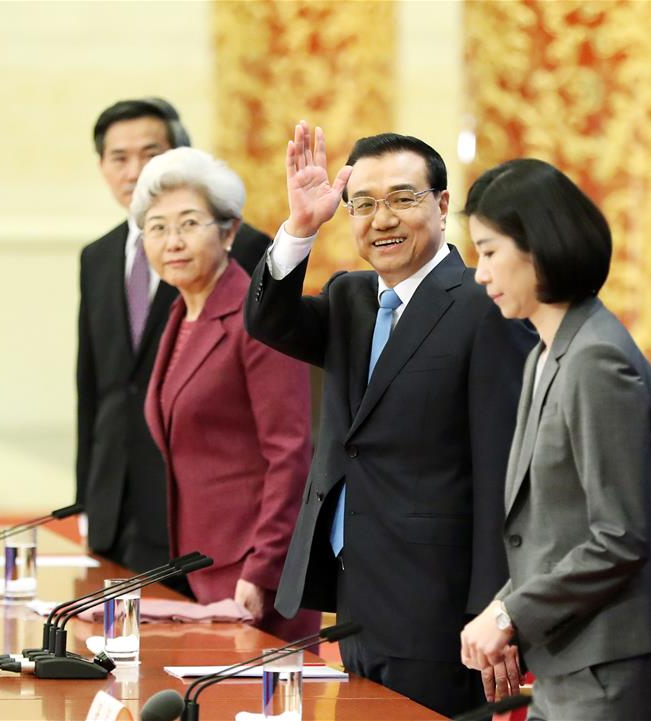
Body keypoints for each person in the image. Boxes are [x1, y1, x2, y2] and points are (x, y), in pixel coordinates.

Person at [244, 122, 535, 718]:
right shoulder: (351, 297)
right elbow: (267, 322)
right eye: (364, 205)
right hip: (354, 591)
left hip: (440, 604)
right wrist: (301, 227)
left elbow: (503, 476)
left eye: (403, 199)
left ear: (444, 204)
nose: (382, 220)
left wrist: (496, 609)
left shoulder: (484, 305)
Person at [459, 158, 651, 720]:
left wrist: (508, 615)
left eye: (490, 251)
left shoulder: (595, 358)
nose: (479, 273)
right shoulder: (545, 351)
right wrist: (506, 605)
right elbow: (551, 531)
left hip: (608, 677)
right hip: (567, 666)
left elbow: (619, 536)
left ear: (539, 246)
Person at [76, 98, 271, 576]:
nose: (135, 171)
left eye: (151, 153)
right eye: (119, 158)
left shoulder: (242, 245)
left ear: (182, 156)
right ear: (102, 167)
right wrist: (86, 498)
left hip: (197, 512)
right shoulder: (97, 256)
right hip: (112, 508)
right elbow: (95, 386)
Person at [129, 146, 319, 637]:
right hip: (199, 564)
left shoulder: (257, 316)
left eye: (189, 223)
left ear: (229, 230)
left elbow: (290, 452)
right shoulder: (179, 314)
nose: (171, 241)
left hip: (255, 572)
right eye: (156, 227)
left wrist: (262, 569)